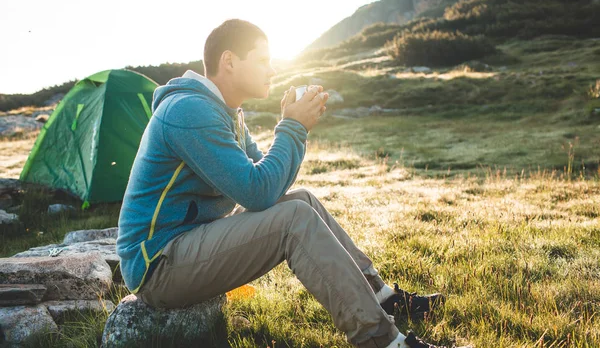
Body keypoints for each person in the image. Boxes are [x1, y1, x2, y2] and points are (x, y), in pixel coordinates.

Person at [117, 19, 463, 348]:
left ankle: (383, 298)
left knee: (302, 201)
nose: (272, 70)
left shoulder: (224, 111)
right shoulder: (189, 110)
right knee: (293, 220)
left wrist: (293, 127)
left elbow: (269, 181)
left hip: (185, 246)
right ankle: (382, 341)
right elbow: (258, 192)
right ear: (229, 62)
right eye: (263, 60)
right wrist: (292, 128)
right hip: (158, 264)